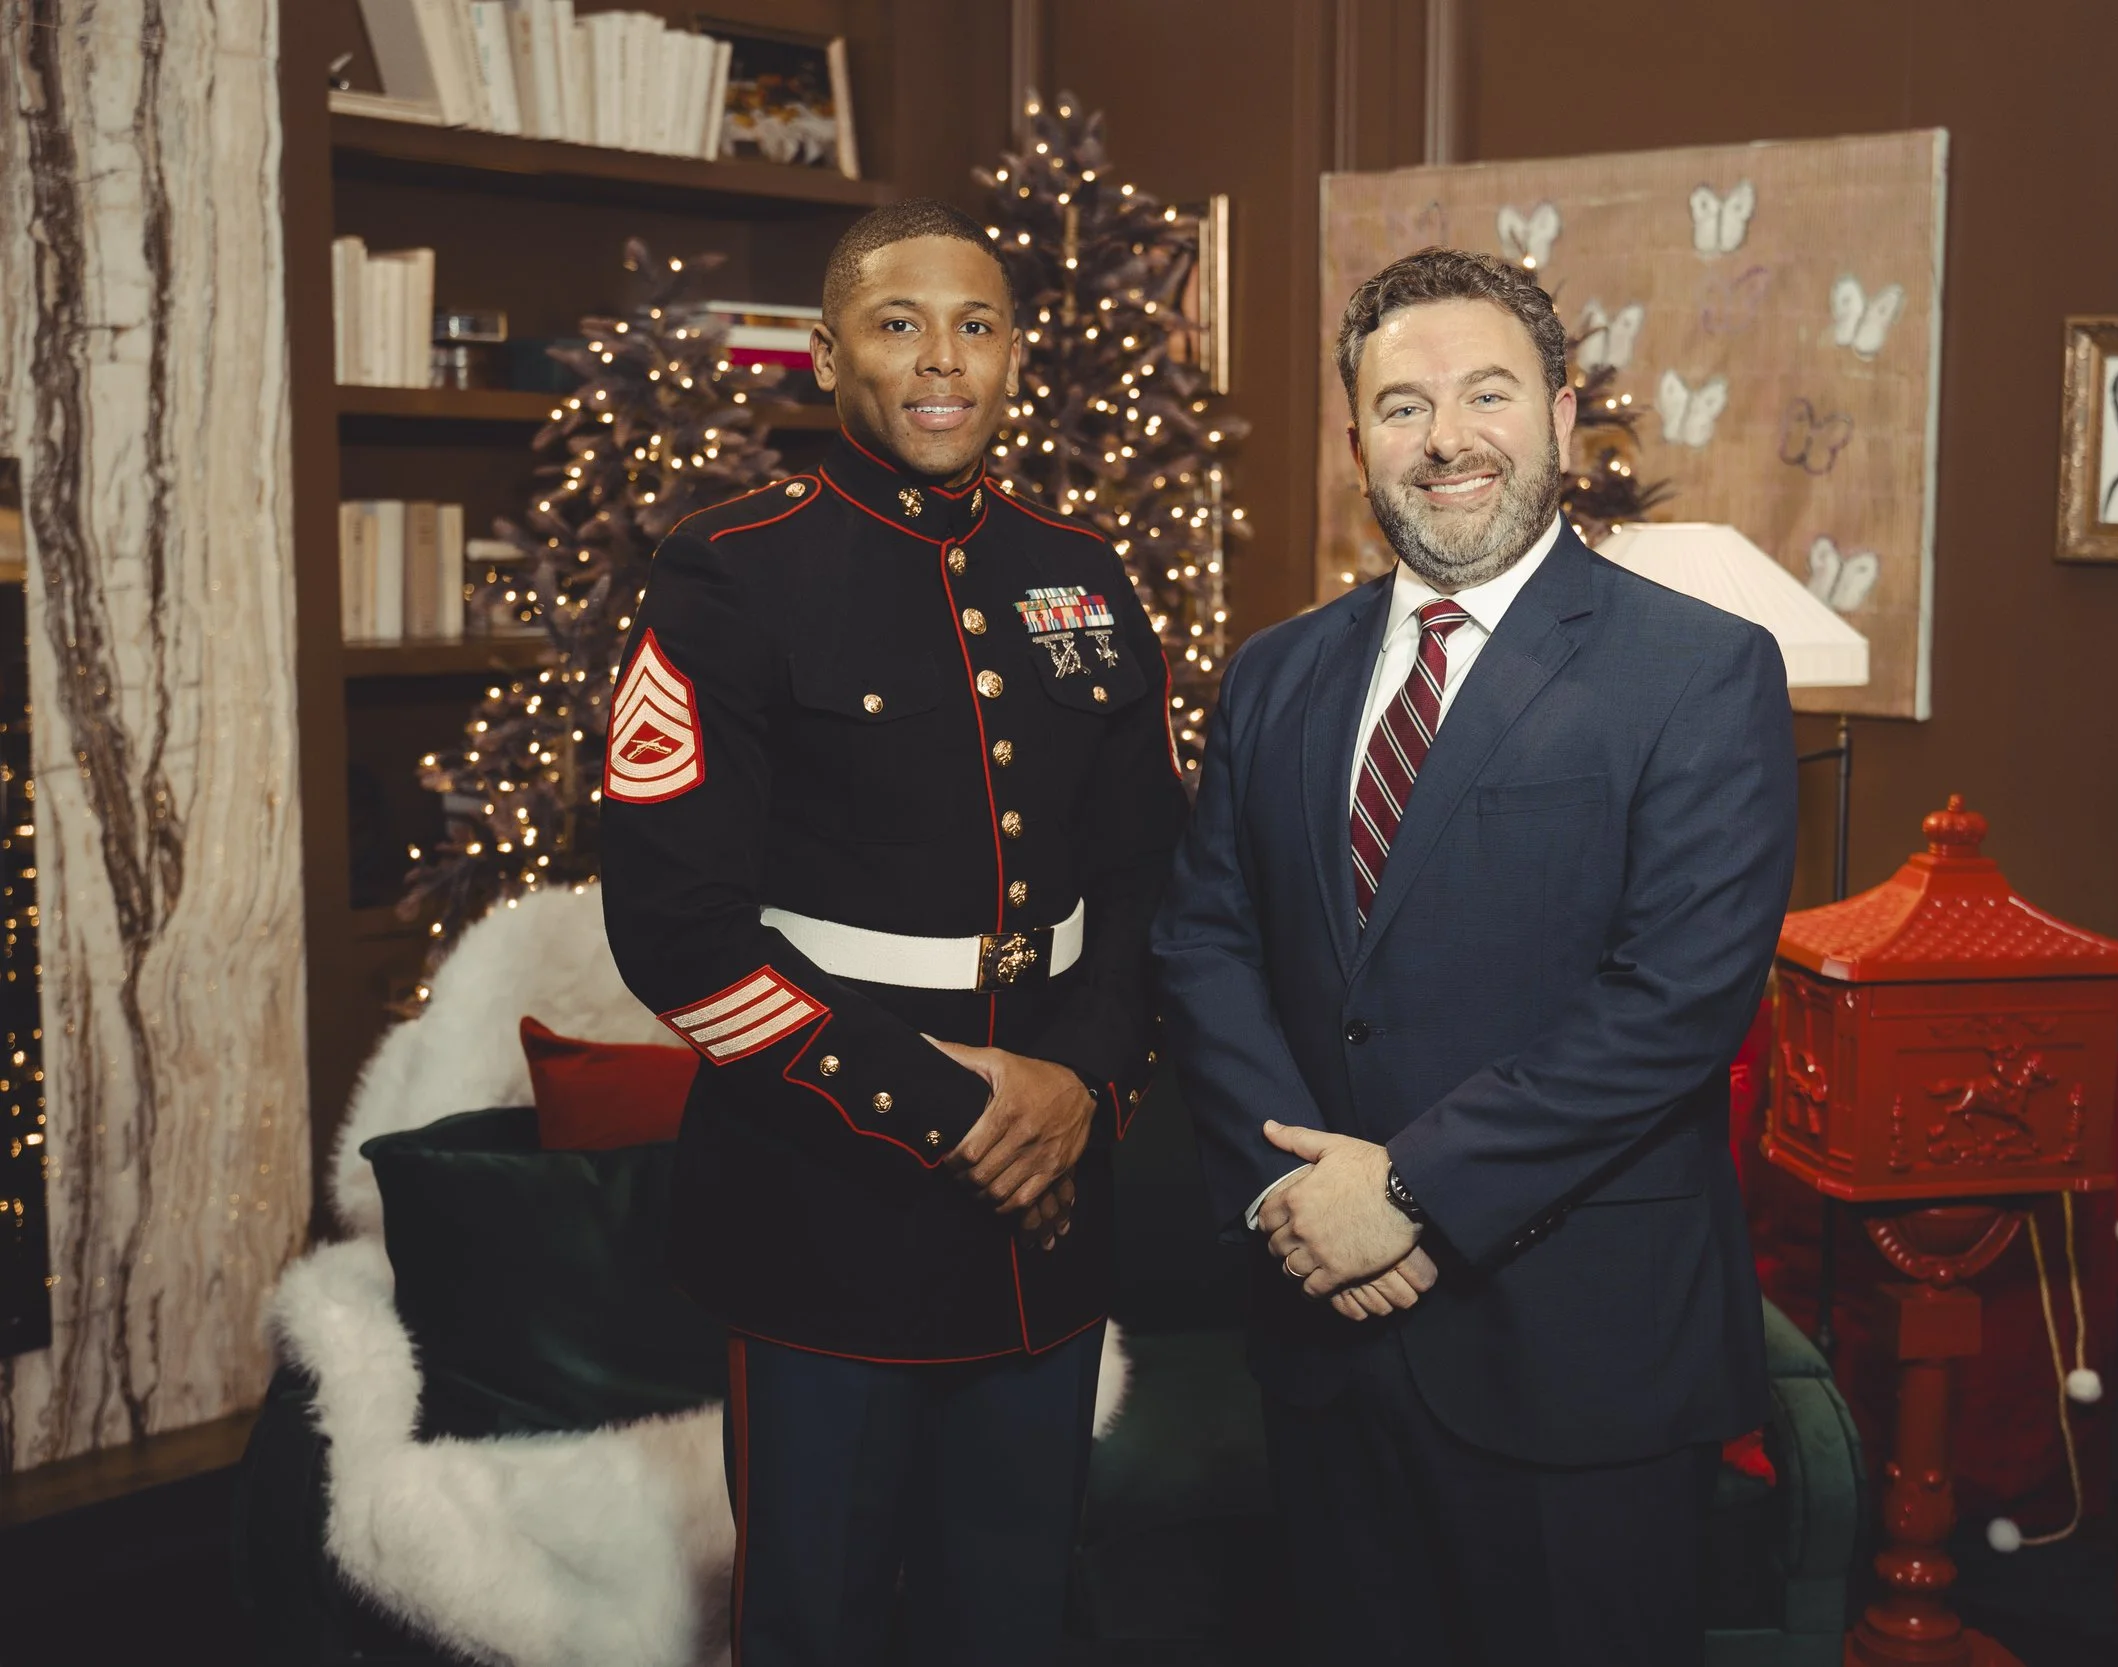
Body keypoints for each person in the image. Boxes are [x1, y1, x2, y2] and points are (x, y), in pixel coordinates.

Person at [1151, 247, 1797, 1666]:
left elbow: (1676, 1003)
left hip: (1578, 1365)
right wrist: (1288, 1189)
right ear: (1355, 442)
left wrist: (1410, 1189)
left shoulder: (1700, 669)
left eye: (1487, 393)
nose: (1445, 437)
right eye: (1402, 405)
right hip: (1324, 1339)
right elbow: (1205, 934)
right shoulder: (1275, 673)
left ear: (1565, 417)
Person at [600, 198, 1187, 1665]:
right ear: (826, 357)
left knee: (1017, 1614)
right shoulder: (733, 570)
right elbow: (679, 930)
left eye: (977, 325)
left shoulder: (1084, 573)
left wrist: (1078, 1090)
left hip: (1050, 1218)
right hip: (826, 1203)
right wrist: (966, 1117)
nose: (944, 359)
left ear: (1014, 357)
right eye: (898, 322)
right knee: (821, 1621)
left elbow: (1149, 885)